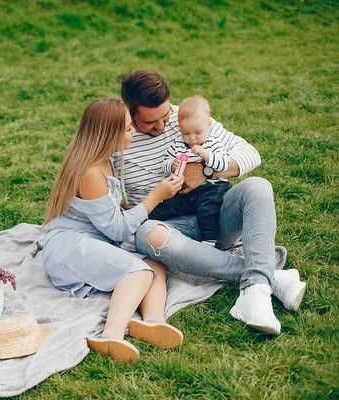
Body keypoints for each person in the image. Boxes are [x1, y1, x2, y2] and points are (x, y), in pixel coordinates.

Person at [113, 69, 306, 335]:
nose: (161, 126)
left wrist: (206, 171)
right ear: (129, 110)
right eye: (149, 123)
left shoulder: (186, 117)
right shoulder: (116, 136)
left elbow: (250, 154)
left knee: (258, 187)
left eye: (164, 115)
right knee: (146, 234)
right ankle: (265, 278)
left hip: (215, 213)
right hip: (170, 229)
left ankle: (255, 293)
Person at [43, 98, 184, 363]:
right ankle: (111, 335)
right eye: (129, 129)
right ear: (109, 134)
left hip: (92, 239)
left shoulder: (105, 160)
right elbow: (117, 231)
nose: (134, 133)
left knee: (155, 263)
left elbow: (108, 217)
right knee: (139, 272)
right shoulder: (90, 172)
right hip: (68, 247)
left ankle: (152, 320)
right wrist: (156, 196)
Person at [149, 95, 232, 243]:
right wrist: (172, 165)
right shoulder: (178, 145)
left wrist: (207, 156)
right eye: (186, 133)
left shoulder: (213, 144)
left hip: (212, 188)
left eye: (198, 133)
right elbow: (165, 164)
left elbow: (224, 164)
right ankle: (143, 222)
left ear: (209, 127)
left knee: (208, 211)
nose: (192, 138)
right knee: (165, 207)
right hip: (184, 192)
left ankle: (209, 241)